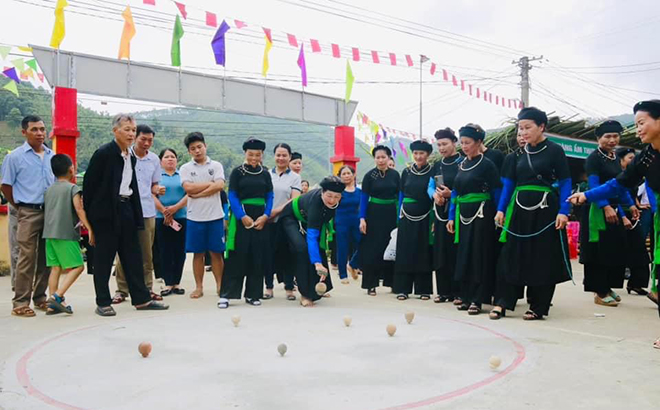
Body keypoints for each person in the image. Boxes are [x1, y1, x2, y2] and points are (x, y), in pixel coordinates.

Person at [568, 99, 660, 348]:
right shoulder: (647, 155)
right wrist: (587, 196)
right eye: (637, 124)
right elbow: (619, 183)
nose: (638, 129)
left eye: (642, 123)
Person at [83, 114, 168, 316]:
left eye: (133, 130)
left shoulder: (129, 155)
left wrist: (135, 213)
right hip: (106, 213)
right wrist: (93, 220)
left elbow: (133, 186)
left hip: (127, 209)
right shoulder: (103, 153)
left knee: (133, 256)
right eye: (127, 129)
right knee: (104, 259)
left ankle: (141, 300)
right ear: (115, 131)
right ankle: (103, 302)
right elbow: (89, 187)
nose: (131, 133)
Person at [491, 108, 572, 320]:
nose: (524, 132)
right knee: (510, 254)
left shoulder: (555, 151)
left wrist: (564, 211)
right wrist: (501, 209)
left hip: (546, 210)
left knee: (542, 256)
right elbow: (508, 186)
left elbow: (565, 182)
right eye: (521, 128)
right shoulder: (515, 156)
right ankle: (503, 302)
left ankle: (538, 306)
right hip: (518, 210)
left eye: (528, 127)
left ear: (542, 127)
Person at [1, 115, 55, 317]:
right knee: (26, 257)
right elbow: (5, 186)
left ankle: (40, 297)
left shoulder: (51, 155)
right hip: (27, 212)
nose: (40, 133)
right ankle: (20, 302)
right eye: (34, 129)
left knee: (46, 257)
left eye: (42, 129)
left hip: (49, 211)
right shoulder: (14, 157)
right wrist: (19, 206)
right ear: (24, 132)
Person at [446, 124, 501, 315]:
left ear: (478, 142)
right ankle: (466, 295)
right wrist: (451, 216)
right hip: (463, 215)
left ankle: (478, 299)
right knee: (464, 255)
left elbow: (497, 191)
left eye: (468, 142)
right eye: (461, 142)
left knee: (479, 255)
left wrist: (498, 213)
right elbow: (455, 192)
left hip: (482, 214)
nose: (464, 146)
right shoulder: (461, 164)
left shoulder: (487, 164)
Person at [578, 121, 634, 307]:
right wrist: (605, 206)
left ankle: (608, 286)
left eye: (615, 136)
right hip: (597, 209)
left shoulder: (615, 157)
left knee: (613, 248)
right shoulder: (593, 159)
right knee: (598, 251)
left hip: (615, 206)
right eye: (607, 136)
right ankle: (599, 291)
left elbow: (621, 184)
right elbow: (594, 186)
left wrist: (630, 205)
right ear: (598, 139)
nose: (612, 140)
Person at [219, 138, 273, 308]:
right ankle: (226, 295)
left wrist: (266, 215)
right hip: (242, 217)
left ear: (262, 155)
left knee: (257, 256)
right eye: (251, 154)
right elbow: (232, 195)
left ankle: (253, 294)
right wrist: (242, 216)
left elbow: (270, 196)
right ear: (245, 153)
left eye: (258, 155)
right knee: (237, 256)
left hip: (260, 218)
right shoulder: (237, 172)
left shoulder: (265, 173)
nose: (254, 158)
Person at [113, 125, 164, 304]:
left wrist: (157, 189)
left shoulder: (154, 159)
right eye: (143, 139)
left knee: (146, 253)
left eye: (150, 140)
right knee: (124, 252)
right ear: (135, 137)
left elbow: (154, 185)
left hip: (148, 210)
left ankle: (147, 288)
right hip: (127, 209)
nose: (147, 143)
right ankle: (122, 290)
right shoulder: (125, 156)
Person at [278, 176, 344, 307]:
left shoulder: (337, 201)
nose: (332, 200)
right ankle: (305, 294)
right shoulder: (315, 204)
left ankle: (319, 287)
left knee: (319, 248)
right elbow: (312, 237)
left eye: (337, 197)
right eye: (329, 196)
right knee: (302, 249)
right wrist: (317, 263)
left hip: (310, 221)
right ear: (322, 192)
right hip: (291, 218)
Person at [43, 154, 94, 314]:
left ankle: (53, 305)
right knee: (78, 266)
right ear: (71, 169)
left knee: (55, 268)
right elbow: (79, 210)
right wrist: (90, 229)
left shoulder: (49, 189)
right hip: (65, 233)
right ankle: (56, 297)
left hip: (49, 234)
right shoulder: (73, 188)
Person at [180, 132, 226, 301]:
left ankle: (220, 285)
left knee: (216, 253)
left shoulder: (216, 165)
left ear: (205, 146)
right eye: (193, 148)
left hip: (215, 216)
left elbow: (220, 185)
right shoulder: (185, 168)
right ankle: (199, 287)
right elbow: (188, 189)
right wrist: (209, 184)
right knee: (198, 254)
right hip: (194, 218)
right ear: (189, 151)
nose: (197, 151)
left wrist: (199, 193)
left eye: (199, 147)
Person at [394, 140, 434, 300]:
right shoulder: (406, 172)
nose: (418, 156)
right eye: (416, 153)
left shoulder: (434, 171)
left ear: (428, 155)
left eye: (422, 153)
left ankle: (423, 289)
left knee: (423, 251)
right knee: (405, 251)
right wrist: (399, 215)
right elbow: (401, 195)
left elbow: (435, 193)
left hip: (425, 216)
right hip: (406, 216)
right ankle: (403, 289)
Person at [359, 145, 400, 296]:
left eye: (384, 157)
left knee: (391, 247)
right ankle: (371, 284)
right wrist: (362, 218)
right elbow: (363, 198)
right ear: (374, 159)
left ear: (389, 158)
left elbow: (399, 197)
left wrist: (399, 216)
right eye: (378, 157)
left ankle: (392, 283)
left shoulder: (395, 175)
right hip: (373, 213)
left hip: (391, 213)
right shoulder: (370, 176)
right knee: (372, 249)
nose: (381, 160)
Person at [428, 128, 462, 303]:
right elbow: (430, 186)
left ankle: (458, 292)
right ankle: (443, 291)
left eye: (445, 144)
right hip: (440, 213)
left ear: (454, 143)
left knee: (455, 252)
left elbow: (465, 185)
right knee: (440, 251)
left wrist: (451, 194)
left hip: (458, 212)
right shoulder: (437, 164)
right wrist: (434, 195)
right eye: (439, 144)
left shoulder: (462, 162)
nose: (441, 148)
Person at [266, 143, 301, 300]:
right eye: (278, 155)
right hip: (267, 221)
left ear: (289, 157)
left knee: (287, 254)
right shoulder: (267, 174)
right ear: (274, 156)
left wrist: (275, 211)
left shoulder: (295, 177)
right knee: (268, 255)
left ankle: (289, 288)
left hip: (286, 220)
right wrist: (267, 214)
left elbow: (294, 200)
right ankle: (268, 287)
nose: (281, 158)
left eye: (284, 155)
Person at [616, 147, 650, 296]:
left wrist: (637, 206)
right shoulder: (617, 177)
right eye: (630, 158)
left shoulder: (635, 177)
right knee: (618, 250)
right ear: (621, 161)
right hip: (618, 214)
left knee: (640, 250)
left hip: (633, 215)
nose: (632, 161)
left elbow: (633, 194)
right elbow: (615, 196)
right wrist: (623, 216)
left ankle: (637, 283)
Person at [154, 148, 188, 297]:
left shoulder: (182, 175)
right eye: (166, 157)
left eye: (173, 157)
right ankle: (167, 283)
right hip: (161, 218)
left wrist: (174, 209)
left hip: (181, 217)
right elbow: (151, 194)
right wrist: (164, 211)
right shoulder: (156, 177)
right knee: (164, 250)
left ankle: (177, 283)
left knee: (179, 251)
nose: (170, 159)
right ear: (161, 161)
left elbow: (189, 194)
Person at [334, 165, 361, 284]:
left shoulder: (360, 192)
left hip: (357, 221)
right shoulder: (338, 192)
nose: (346, 176)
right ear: (340, 177)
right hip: (341, 221)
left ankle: (353, 264)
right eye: (343, 174)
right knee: (342, 247)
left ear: (354, 174)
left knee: (362, 244)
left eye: (348, 173)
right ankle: (343, 274)